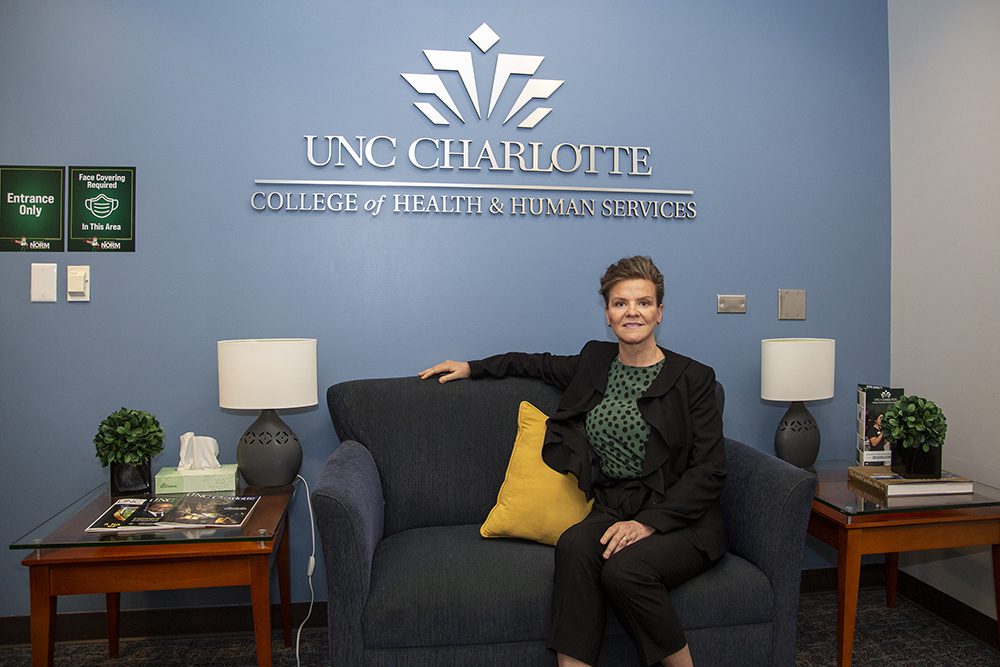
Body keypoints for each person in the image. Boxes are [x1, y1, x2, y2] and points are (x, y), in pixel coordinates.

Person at [419, 256, 726, 667]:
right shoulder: (595, 361)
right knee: (574, 545)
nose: (632, 312)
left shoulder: (694, 378)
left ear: (659, 312)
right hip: (614, 506)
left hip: (682, 517)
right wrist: (473, 367)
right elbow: (533, 363)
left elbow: (710, 470)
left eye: (643, 302)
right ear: (607, 313)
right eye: (620, 303)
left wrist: (648, 524)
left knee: (624, 572)